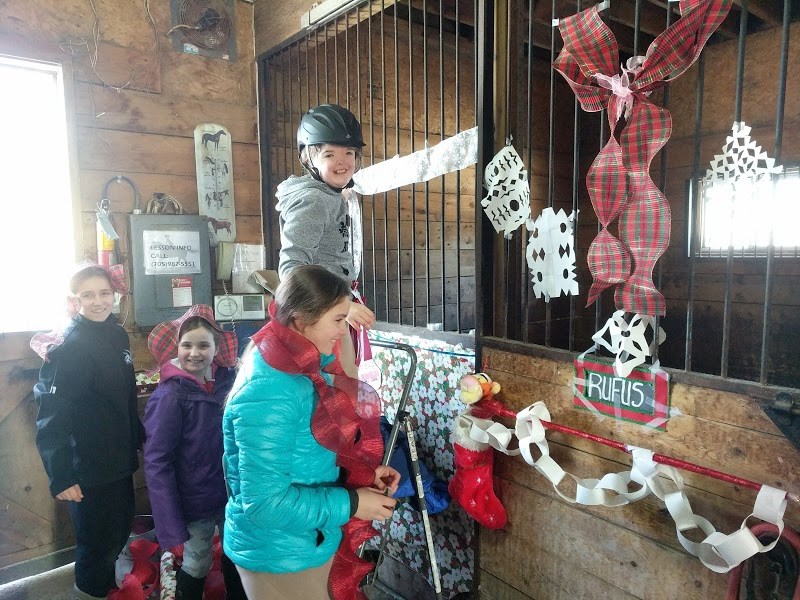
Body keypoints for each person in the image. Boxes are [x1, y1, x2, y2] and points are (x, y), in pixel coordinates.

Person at [222, 264, 400, 600]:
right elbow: (264, 504)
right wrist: (351, 503)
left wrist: (360, 477)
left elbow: (306, 453)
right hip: (278, 551)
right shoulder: (271, 388)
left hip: (299, 540)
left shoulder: (298, 365)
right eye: (338, 320)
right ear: (302, 321)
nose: (342, 330)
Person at [31, 262, 143, 600]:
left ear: (115, 294)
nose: (98, 301)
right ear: (75, 299)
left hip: (119, 460)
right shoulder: (70, 345)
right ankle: (88, 592)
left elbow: (125, 394)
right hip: (87, 467)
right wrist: (61, 475)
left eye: (104, 293)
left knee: (119, 532)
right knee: (96, 545)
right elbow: (51, 416)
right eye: (88, 295)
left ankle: (109, 590)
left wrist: (138, 440)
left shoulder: (116, 333)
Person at [144, 304, 245, 600]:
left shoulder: (227, 383)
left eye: (204, 345)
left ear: (216, 348)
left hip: (230, 494)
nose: (195, 353)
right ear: (176, 348)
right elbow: (157, 462)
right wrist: (170, 525)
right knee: (197, 561)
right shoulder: (170, 396)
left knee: (236, 554)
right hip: (194, 503)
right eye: (186, 345)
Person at [275, 103, 376, 378]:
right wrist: (341, 307)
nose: (342, 161)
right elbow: (292, 268)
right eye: (330, 153)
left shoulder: (328, 195)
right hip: (320, 314)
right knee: (339, 387)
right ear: (309, 158)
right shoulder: (315, 199)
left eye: (349, 152)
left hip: (331, 308)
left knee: (345, 383)